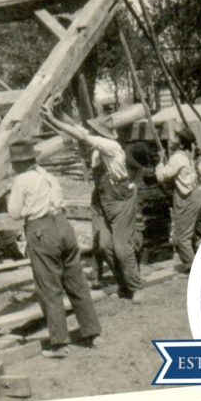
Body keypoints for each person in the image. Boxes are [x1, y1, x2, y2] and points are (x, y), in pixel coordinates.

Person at [7, 139, 102, 357]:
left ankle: (59, 343)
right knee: (76, 282)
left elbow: (14, 213)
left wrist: (11, 197)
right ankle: (93, 333)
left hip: (41, 230)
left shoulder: (22, 180)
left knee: (49, 287)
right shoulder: (48, 176)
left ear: (18, 164)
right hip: (64, 226)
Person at [43, 106, 144, 304]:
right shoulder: (99, 146)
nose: (90, 134)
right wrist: (57, 111)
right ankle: (122, 284)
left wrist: (53, 121)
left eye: (94, 132)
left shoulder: (111, 147)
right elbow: (78, 129)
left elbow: (81, 135)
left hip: (121, 200)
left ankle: (135, 286)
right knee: (104, 246)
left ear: (101, 135)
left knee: (122, 248)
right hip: (102, 199)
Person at [155, 127, 201, 272]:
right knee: (192, 235)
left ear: (182, 144)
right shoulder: (187, 156)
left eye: (175, 137)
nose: (171, 139)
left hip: (186, 198)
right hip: (195, 195)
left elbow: (162, 176)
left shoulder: (177, 158)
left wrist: (159, 163)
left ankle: (196, 269)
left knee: (180, 239)